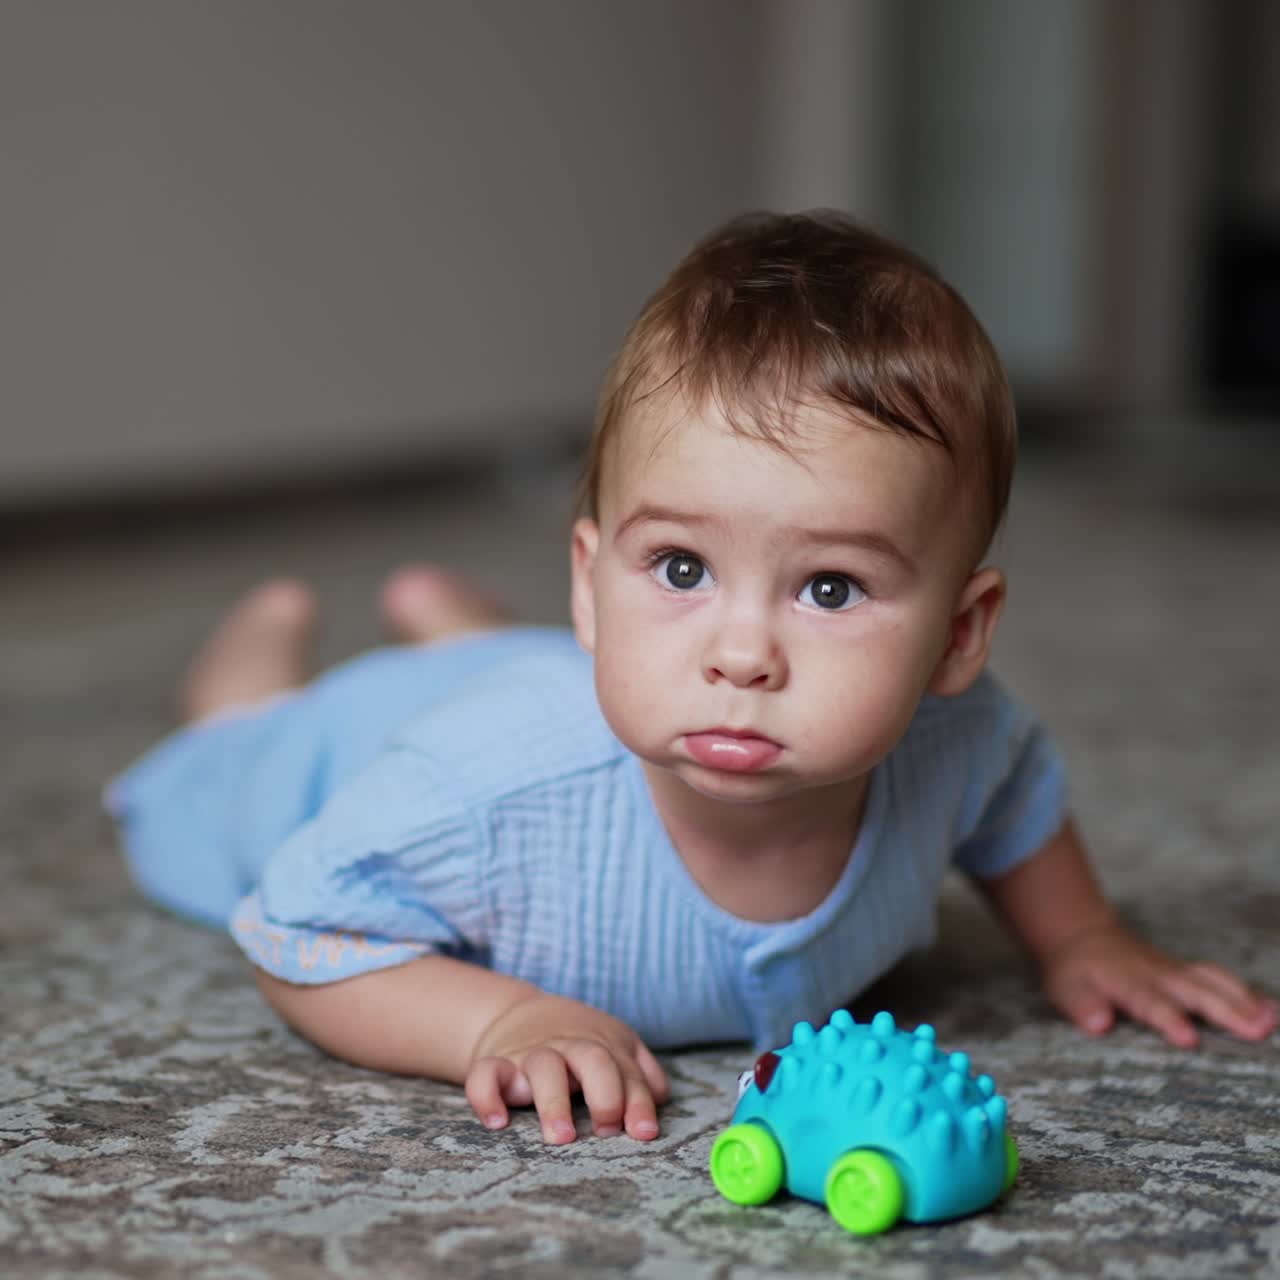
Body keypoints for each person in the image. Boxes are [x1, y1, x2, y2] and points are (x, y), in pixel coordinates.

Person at [108, 211, 1276, 1148]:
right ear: (590, 578)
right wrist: (496, 1014)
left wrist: (1080, 934)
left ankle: (460, 630)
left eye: (827, 588)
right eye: (678, 565)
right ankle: (253, 680)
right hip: (360, 739)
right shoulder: (473, 797)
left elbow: (1015, 793)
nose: (740, 652)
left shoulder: (958, 736)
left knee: (571, 672)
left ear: (958, 638)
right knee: (244, 751)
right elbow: (297, 928)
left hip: (568, 679)